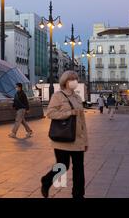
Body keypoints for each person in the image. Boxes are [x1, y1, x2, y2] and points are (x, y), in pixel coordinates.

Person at [41, 70, 88, 199]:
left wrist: (86, 141)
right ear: (65, 81)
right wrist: (69, 113)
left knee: (79, 168)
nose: (74, 81)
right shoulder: (58, 96)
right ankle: (46, 180)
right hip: (62, 138)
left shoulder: (78, 98)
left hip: (77, 139)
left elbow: (82, 122)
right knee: (63, 166)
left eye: (76, 79)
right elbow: (50, 113)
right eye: (71, 79)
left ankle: (78, 194)